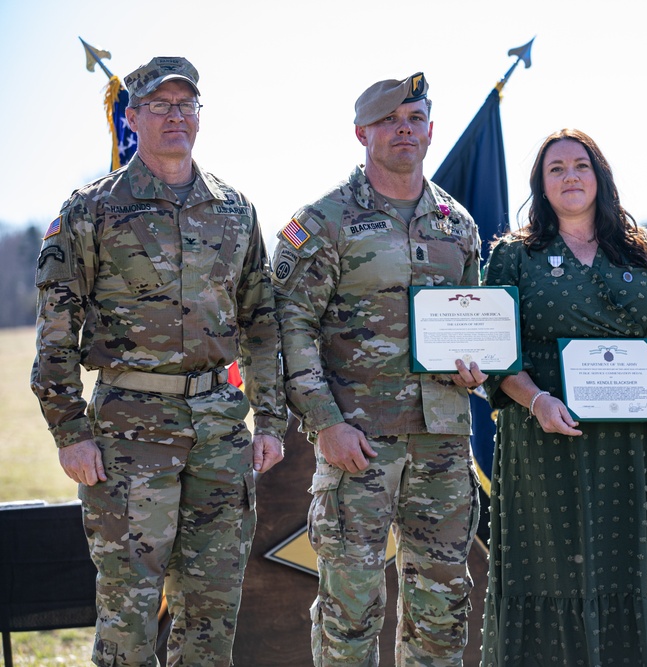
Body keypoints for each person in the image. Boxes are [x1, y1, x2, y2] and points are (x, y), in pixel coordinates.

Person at [30, 56, 285, 666]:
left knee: (212, 609)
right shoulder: (92, 210)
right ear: (134, 116)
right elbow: (56, 329)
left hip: (219, 430)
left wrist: (270, 421)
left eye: (186, 105)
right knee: (130, 607)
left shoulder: (235, 209)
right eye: (160, 106)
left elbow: (260, 321)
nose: (176, 116)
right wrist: (70, 431)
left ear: (200, 116)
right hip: (127, 431)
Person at [272, 72, 486, 666]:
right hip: (358, 442)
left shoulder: (456, 222)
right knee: (351, 606)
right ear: (361, 132)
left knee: (443, 605)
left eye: (415, 118)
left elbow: (475, 323)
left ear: (430, 130)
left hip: (442, 441)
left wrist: (479, 370)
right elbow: (292, 330)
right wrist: (326, 423)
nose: (404, 130)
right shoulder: (323, 222)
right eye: (389, 121)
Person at [479, 128, 647, 666]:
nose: (570, 176)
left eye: (580, 165)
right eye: (556, 169)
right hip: (543, 438)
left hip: (634, 445)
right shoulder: (514, 255)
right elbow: (497, 349)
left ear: (599, 175)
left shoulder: (645, 249)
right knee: (549, 568)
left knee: (631, 564)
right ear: (541, 184)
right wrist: (536, 402)